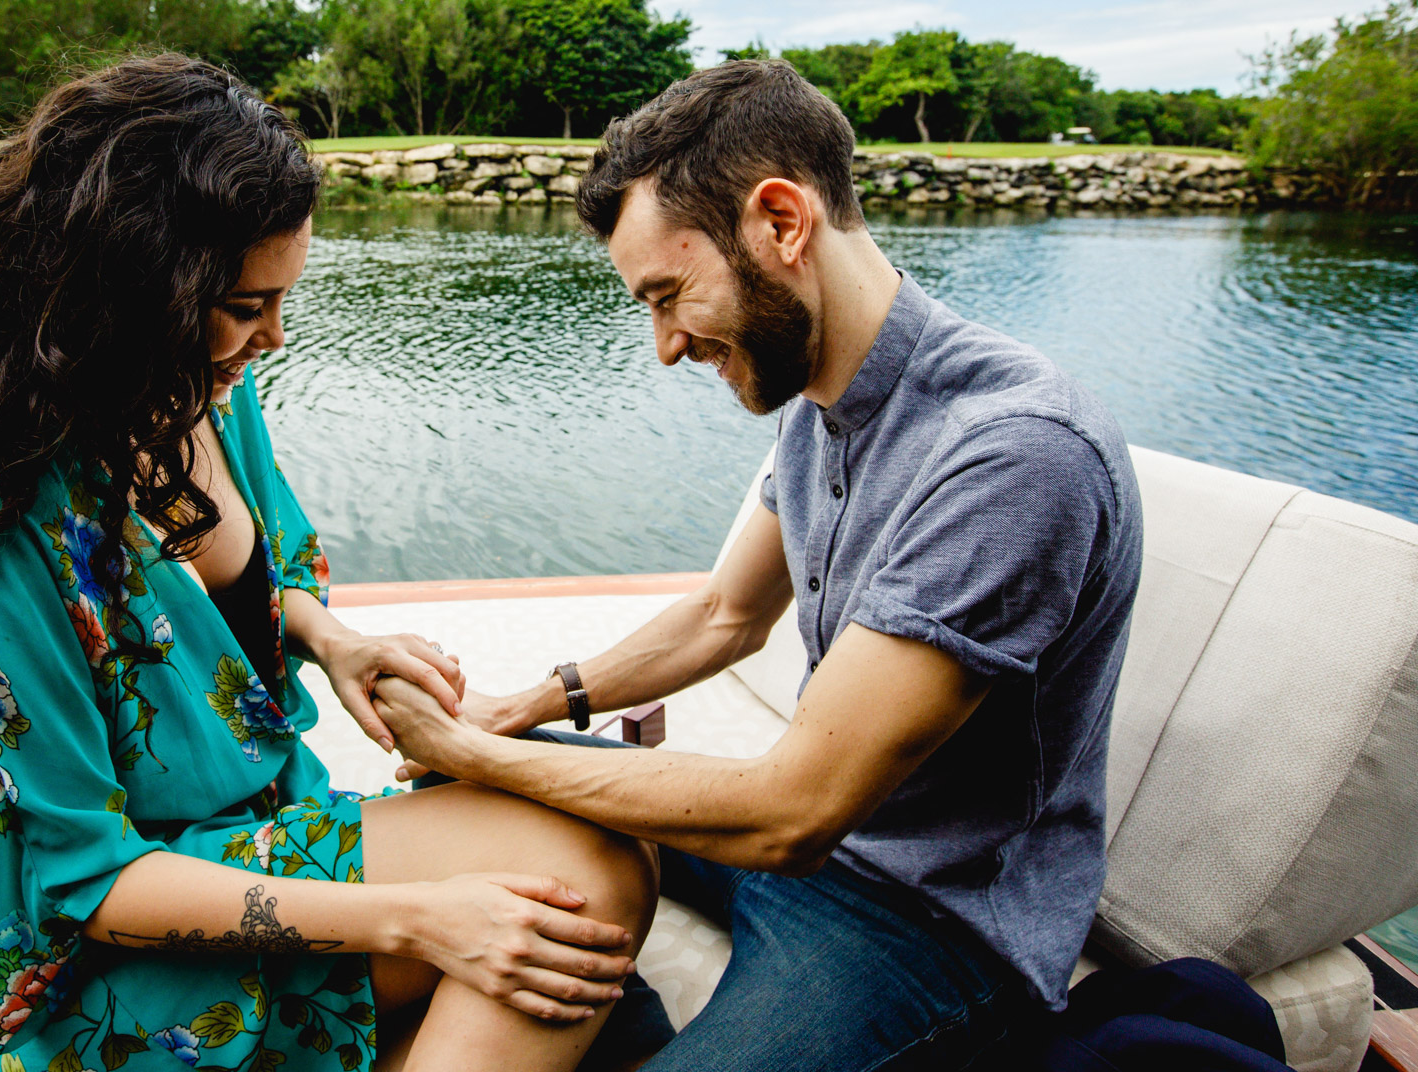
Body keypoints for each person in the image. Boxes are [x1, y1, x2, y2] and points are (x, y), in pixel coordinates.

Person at [0, 54, 656, 1072]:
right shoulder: (5, 520)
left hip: (264, 823)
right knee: (580, 887)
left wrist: (333, 642)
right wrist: (415, 921)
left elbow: (256, 594)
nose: (275, 338)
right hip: (120, 951)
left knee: (605, 858)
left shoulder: (203, 395)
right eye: (246, 305)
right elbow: (88, 882)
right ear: (136, 288)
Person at [373, 59, 1146, 1071]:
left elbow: (795, 811)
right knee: (455, 800)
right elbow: (723, 620)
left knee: (480, 775)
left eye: (667, 294)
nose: (661, 346)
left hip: (924, 918)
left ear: (782, 222)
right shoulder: (825, 397)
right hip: (799, 840)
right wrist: (516, 713)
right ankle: (614, 1013)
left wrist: (482, 751)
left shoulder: (1012, 453)